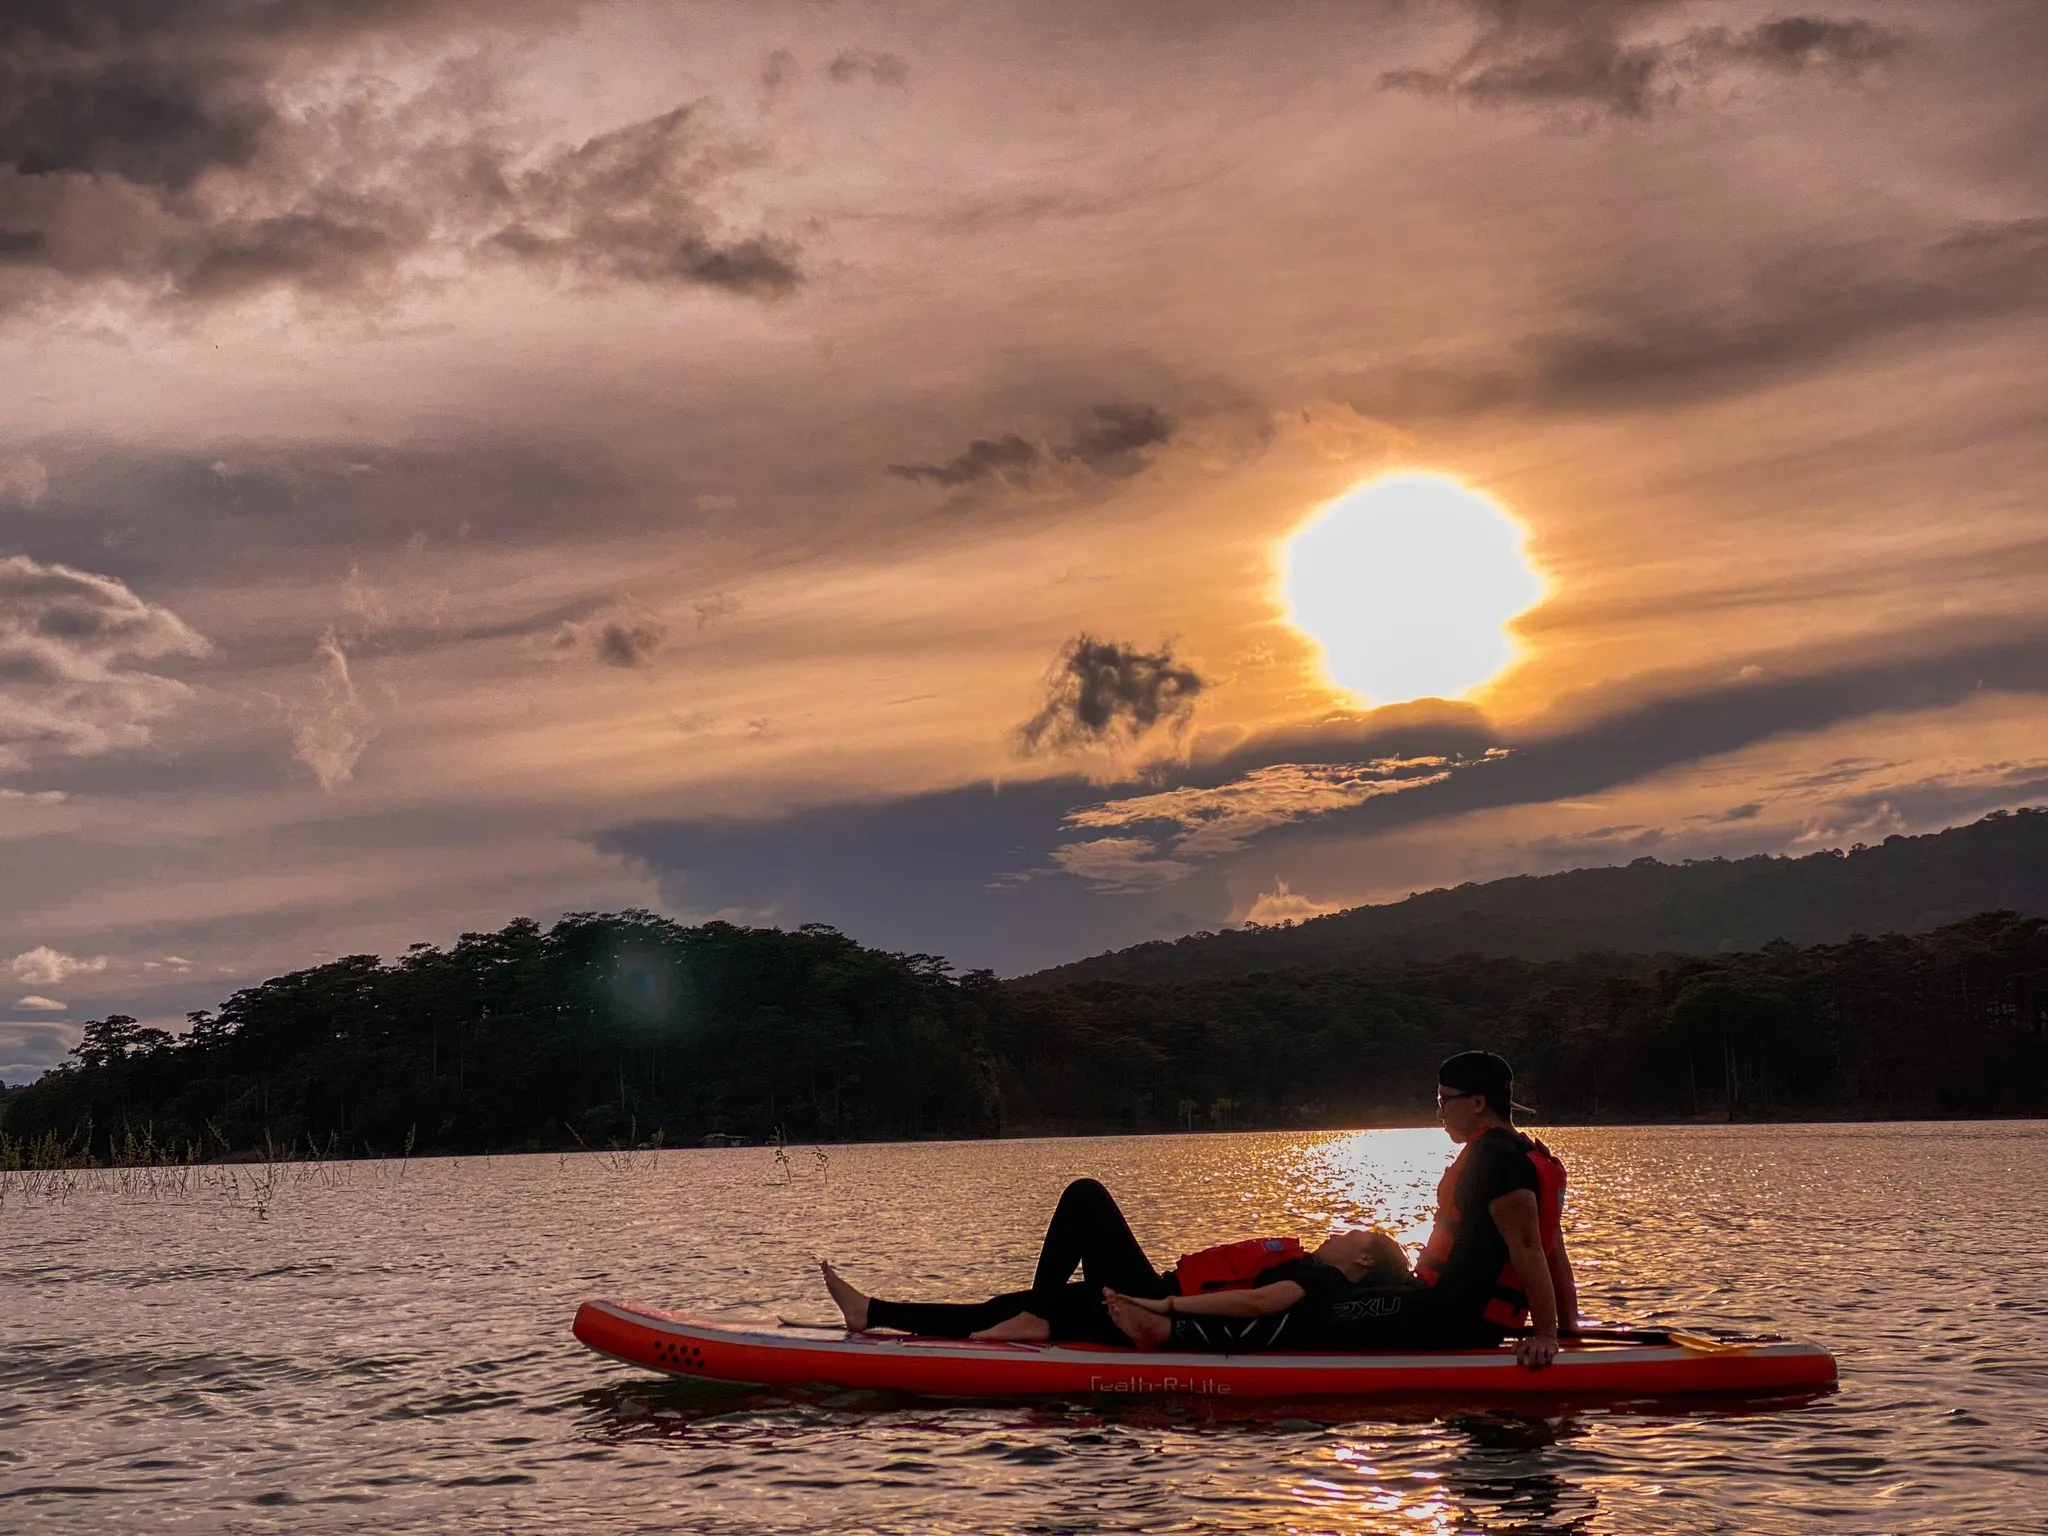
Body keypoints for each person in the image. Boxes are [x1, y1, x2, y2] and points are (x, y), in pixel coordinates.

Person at [1103, 1050, 1578, 1370]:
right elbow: (1553, 1251)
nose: (1439, 1113)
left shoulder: (1493, 1159)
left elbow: (1529, 1246)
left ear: (1477, 1102)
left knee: (1318, 1311)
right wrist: (1568, 1329)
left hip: (1450, 1317)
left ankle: (1171, 1333)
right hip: (1458, 1312)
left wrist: (1548, 1337)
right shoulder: (1525, 1155)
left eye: (1443, 1101)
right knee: (1343, 1295)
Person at [820, 1176, 1409, 1347]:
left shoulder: (1321, 1277)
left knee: (1085, 1197)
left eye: (1354, 1232)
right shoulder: (1313, 1264)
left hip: (1154, 1300)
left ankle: (1040, 1317)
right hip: (1153, 1292)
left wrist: (1164, 1304)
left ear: (1363, 1258)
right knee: (998, 1307)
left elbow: (1259, 1303)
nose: (1340, 1231)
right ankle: (870, 1311)